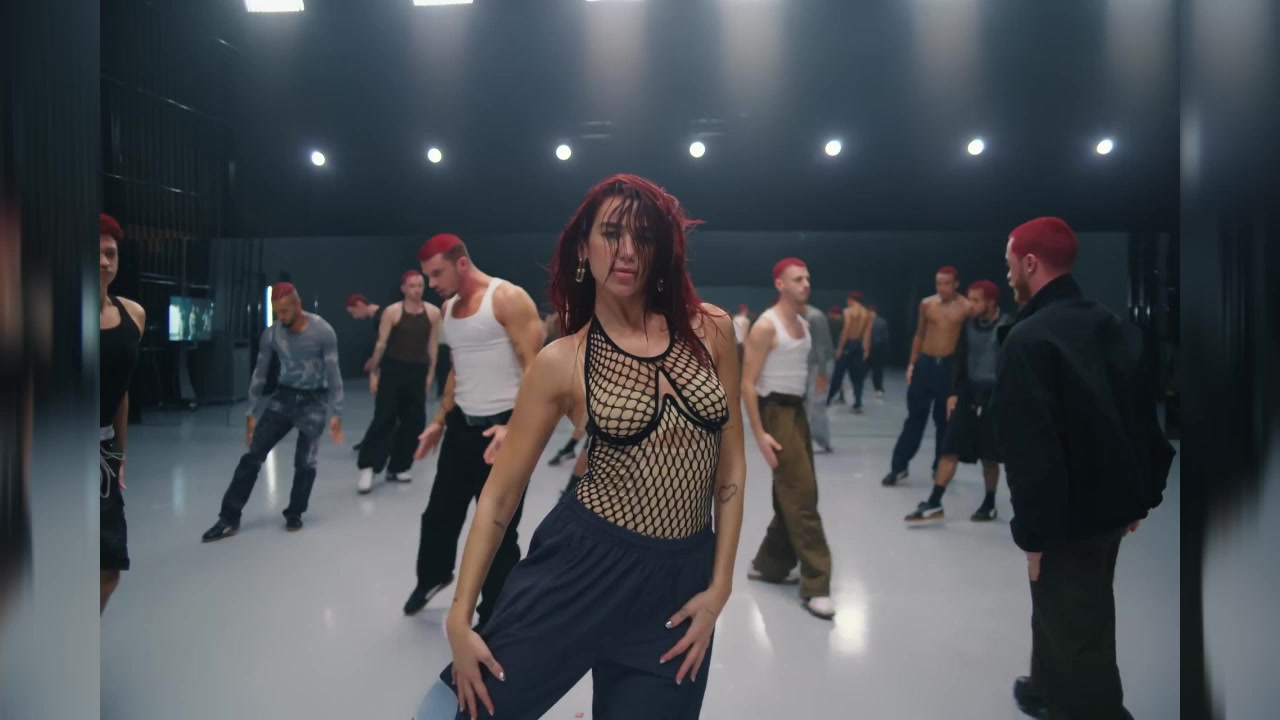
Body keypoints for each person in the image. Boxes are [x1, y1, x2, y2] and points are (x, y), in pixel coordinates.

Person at [414, 174, 746, 720]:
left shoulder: (711, 330)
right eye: (611, 233)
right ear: (583, 248)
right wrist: (459, 616)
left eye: (644, 237)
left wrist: (720, 586)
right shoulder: (562, 361)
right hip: (581, 567)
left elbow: (730, 464)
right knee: (456, 712)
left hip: (677, 586)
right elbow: (500, 495)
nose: (628, 251)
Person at [991, 217, 1174, 720]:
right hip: (1111, 510)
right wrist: (1142, 495)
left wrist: (1034, 537)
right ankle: (1045, 690)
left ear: (1030, 263)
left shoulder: (1028, 340)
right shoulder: (1111, 325)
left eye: (1010, 264)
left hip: (1065, 521)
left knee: (1078, 636)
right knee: (1065, 610)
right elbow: (1142, 418)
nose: (1007, 274)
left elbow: (1031, 452)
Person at [403, 233, 544, 624]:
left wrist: (514, 427)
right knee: (439, 514)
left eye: (436, 274)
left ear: (461, 263)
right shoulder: (448, 309)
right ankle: (434, 576)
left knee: (497, 529)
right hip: (461, 427)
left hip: (506, 430)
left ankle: (494, 615)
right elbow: (456, 370)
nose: (431, 284)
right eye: (427, 277)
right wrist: (438, 421)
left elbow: (536, 370)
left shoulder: (507, 298)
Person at [201, 282, 344, 541]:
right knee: (252, 456)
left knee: (305, 462)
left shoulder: (323, 331)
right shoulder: (272, 334)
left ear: (298, 305)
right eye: (277, 311)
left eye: (286, 310)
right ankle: (229, 517)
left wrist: (337, 412)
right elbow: (260, 372)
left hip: (315, 400)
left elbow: (333, 372)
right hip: (283, 397)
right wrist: (250, 411)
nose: (282, 316)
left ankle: (295, 512)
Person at [741, 258, 836, 620]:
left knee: (791, 494)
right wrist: (760, 434)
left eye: (807, 278)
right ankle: (817, 584)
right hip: (776, 413)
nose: (805, 284)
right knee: (803, 496)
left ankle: (769, 564)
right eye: (797, 279)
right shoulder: (767, 326)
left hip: (796, 413)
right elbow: (747, 384)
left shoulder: (804, 324)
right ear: (780, 284)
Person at [904, 280, 1010, 526]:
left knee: (989, 455)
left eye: (976, 300)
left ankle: (989, 503)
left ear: (991, 302)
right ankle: (934, 501)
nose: (970, 305)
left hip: (993, 397)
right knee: (949, 447)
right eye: (969, 299)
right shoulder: (968, 326)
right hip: (968, 395)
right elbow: (959, 360)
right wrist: (953, 393)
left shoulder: (1007, 326)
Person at [881, 267, 971, 486]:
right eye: (939, 283)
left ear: (956, 284)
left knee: (943, 420)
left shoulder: (966, 308)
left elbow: (969, 342)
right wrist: (912, 364)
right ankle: (899, 466)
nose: (942, 288)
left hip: (949, 366)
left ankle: (938, 467)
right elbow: (919, 334)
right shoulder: (927, 304)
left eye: (947, 283)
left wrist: (962, 377)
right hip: (926, 363)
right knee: (915, 417)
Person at [355, 271, 440, 493]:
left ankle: (398, 466)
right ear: (403, 288)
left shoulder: (433, 313)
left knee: (414, 421)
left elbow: (432, 346)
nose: (417, 290)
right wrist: (374, 373)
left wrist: (430, 374)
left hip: (417, 371)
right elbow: (381, 344)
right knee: (385, 417)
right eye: (412, 286)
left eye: (420, 285)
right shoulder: (392, 312)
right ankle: (369, 467)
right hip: (393, 370)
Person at [99, 214, 145, 613]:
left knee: (108, 568)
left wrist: (121, 455)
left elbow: (122, 392)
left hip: (102, 453)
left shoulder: (133, 316)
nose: (103, 261)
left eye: (110, 253)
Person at [827, 291, 873, 412]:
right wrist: (866, 350)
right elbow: (867, 334)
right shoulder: (868, 314)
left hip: (848, 344)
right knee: (857, 377)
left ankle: (828, 399)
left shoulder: (848, 311)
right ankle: (857, 403)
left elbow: (846, 330)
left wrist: (840, 348)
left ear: (851, 300)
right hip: (858, 345)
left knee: (838, 374)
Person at [802, 302, 834, 453]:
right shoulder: (800, 317)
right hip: (809, 364)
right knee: (808, 403)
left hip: (819, 365)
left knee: (816, 403)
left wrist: (822, 373)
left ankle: (822, 441)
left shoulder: (815, 317)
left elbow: (822, 347)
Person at [866, 304, 889, 399]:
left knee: (864, 370)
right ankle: (879, 389)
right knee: (878, 371)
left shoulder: (867, 321)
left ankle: (857, 389)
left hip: (869, 349)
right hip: (878, 350)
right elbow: (885, 338)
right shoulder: (882, 322)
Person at [825, 306, 847, 403]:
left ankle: (827, 395)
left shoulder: (828, 322)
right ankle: (841, 394)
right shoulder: (845, 323)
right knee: (837, 373)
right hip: (840, 349)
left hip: (829, 349)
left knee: (827, 372)